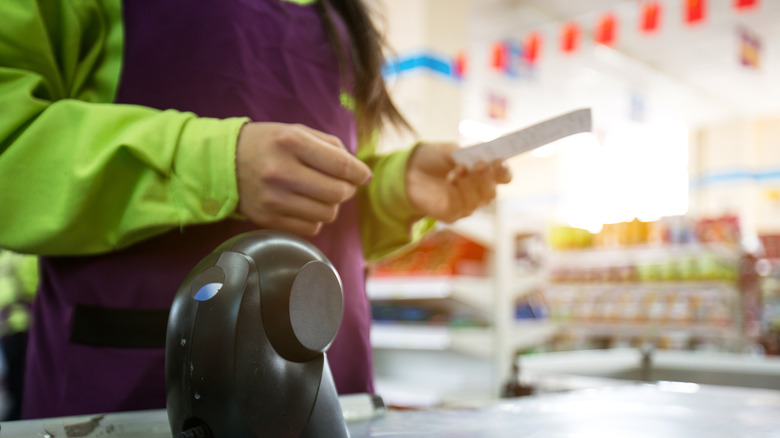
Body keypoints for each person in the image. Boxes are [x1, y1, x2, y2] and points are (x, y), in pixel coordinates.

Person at [0, 0, 512, 419]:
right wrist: (212, 164)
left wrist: (395, 190)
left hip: (332, 391)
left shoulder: (344, 20)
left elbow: (331, 214)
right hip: (135, 394)